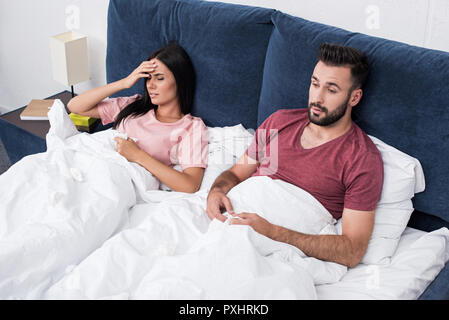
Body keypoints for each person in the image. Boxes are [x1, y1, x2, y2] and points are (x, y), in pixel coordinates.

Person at [206, 43, 384, 268]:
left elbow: (352, 250)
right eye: (315, 84)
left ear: (354, 97)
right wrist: (217, 191)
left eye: (331, 90)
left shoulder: (362, 159)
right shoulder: (280, 121)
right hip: (227, 218)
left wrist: (272, 232)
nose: (317, 98)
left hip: (269, 242)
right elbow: (235, 173)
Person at [68, 42, 208, 193]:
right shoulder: (134, 105)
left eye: (159, 78)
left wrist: (138, 156)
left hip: (114, 183)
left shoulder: (190, 127)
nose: (150, 85)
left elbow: (190, 184)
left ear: (180, 81)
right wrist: (124, 83)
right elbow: (75, 106)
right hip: (88, 164)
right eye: (148, 78)